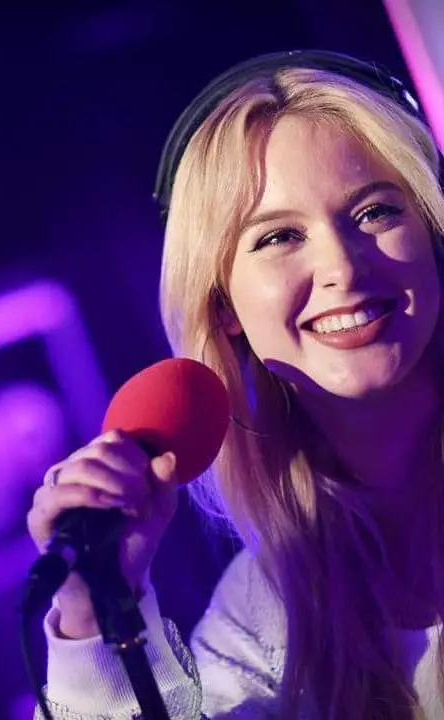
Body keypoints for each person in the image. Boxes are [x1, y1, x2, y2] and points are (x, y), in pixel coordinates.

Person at [26, 49, 444, 719]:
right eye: (280, 237)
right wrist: (93, 616)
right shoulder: (265, 613)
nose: (342, 267)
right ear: (223, 307)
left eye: (374, 213)